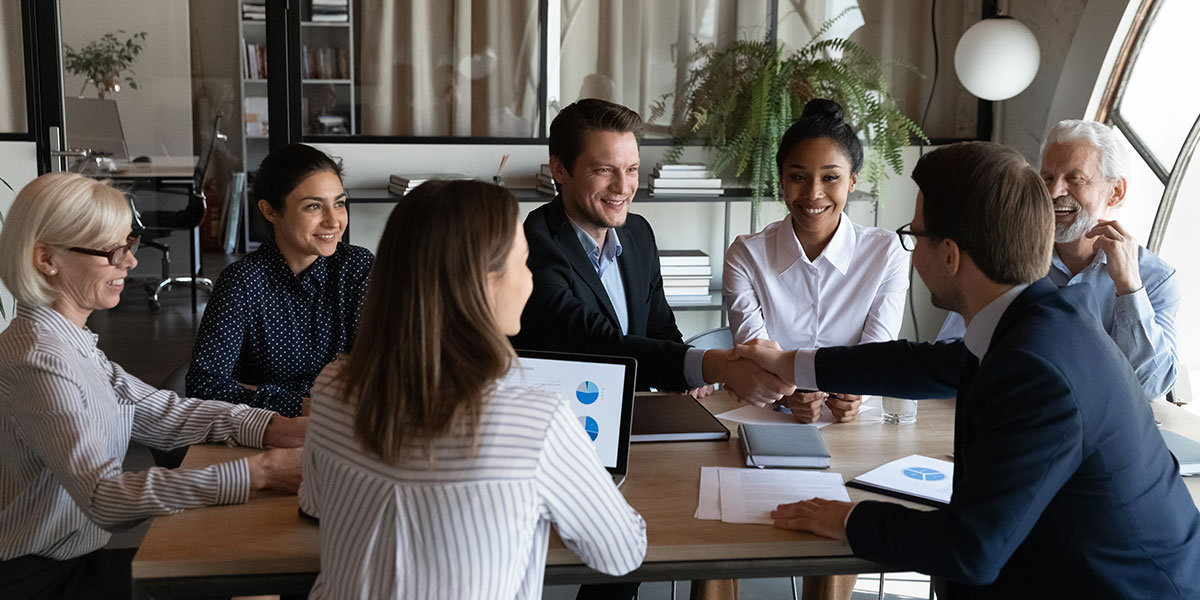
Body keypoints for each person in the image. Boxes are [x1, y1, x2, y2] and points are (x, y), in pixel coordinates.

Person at [731, 142, 1200, 598]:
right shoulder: (1039, 318)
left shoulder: (1036, 369)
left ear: (950, 256)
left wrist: (846, 518)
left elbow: (971, 549)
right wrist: (791, 363)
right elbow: (927, 364)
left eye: (914, 236)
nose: (910, 252)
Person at [299, 180, 646, 599]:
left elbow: (315, 506)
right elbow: (621, 553)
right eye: (523, 262)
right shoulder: (536, 421)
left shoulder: (334, 387)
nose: (531, 280)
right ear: (482, 281)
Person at [0, 173, 306, 600]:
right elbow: (105, 497)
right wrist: (259, 473)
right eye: (112, 250)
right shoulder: (39, 359)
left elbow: (163, 412)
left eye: (130, 244)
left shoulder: (71, 343)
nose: (130, 262)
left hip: (72, 563)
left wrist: (275, 426)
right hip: (39, 582)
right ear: (46, 258)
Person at [512, 98, 794, 406]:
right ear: (560, 169)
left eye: (631, 169)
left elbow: (660, 327)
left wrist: (688, 378)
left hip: (640, 413)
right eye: (605, 170)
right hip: (567, 420)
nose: (623, 186)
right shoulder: (533, 243)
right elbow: (596, 345)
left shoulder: (638, 233)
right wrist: (710, 366)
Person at [936, 120, 1178, 400]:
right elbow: (953, 354)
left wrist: (1129, 288)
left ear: (1116, 192)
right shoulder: (1002, 257)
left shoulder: (1155, 279)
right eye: (1047, 178)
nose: (1053, 193)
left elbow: (1150, 386)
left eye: (1074, 179)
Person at [724, 98, 908, 426]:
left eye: (830, 178)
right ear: (781, 180)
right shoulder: (745, 256)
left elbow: (876, 356)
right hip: (767, 419)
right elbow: (754, 352)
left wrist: (856, 393)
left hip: (858, 425)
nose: (813, 193)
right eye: (798, 177)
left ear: (852, 181)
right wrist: (789, 393)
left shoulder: (887, 253)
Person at [187, 143, 374, 417]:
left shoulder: (357, 267)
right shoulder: (242, 282)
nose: (334, 221)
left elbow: (378, 367)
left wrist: (254, 391)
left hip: (343, 426)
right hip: (263, 431)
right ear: (270, 211)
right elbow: (203, 386)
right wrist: (302, 405)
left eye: (339, 204)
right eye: (313, 207)